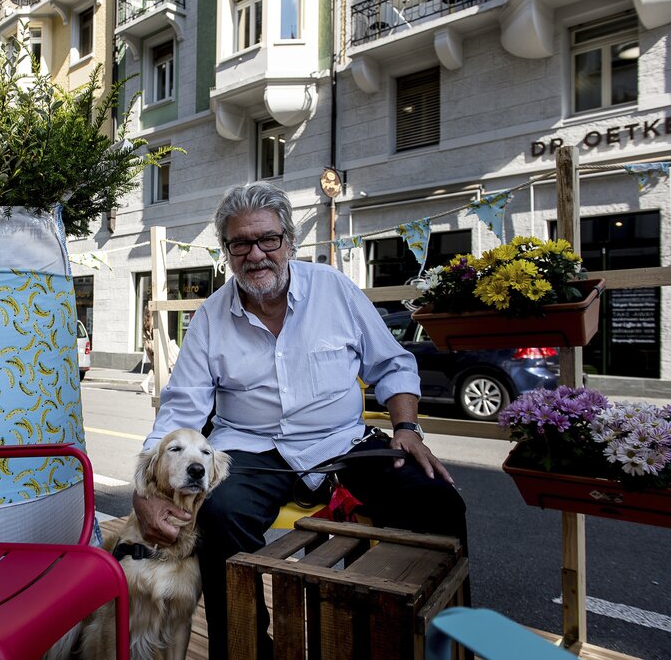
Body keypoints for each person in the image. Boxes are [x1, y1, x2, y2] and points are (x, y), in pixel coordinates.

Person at [133, 181, 467, 659]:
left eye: (268, 239)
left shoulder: (334, 289)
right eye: (240, 243)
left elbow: (393, 364)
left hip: (343, 442)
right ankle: (247, 649)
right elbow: (181, 406)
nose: (256, 254)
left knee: (437, 501)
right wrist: (146, 488)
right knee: (218, 517)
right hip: (252, 447)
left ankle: (435, 643)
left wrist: (407, 429)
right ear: (226, 252)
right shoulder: (210, 316)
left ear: (289, 241)